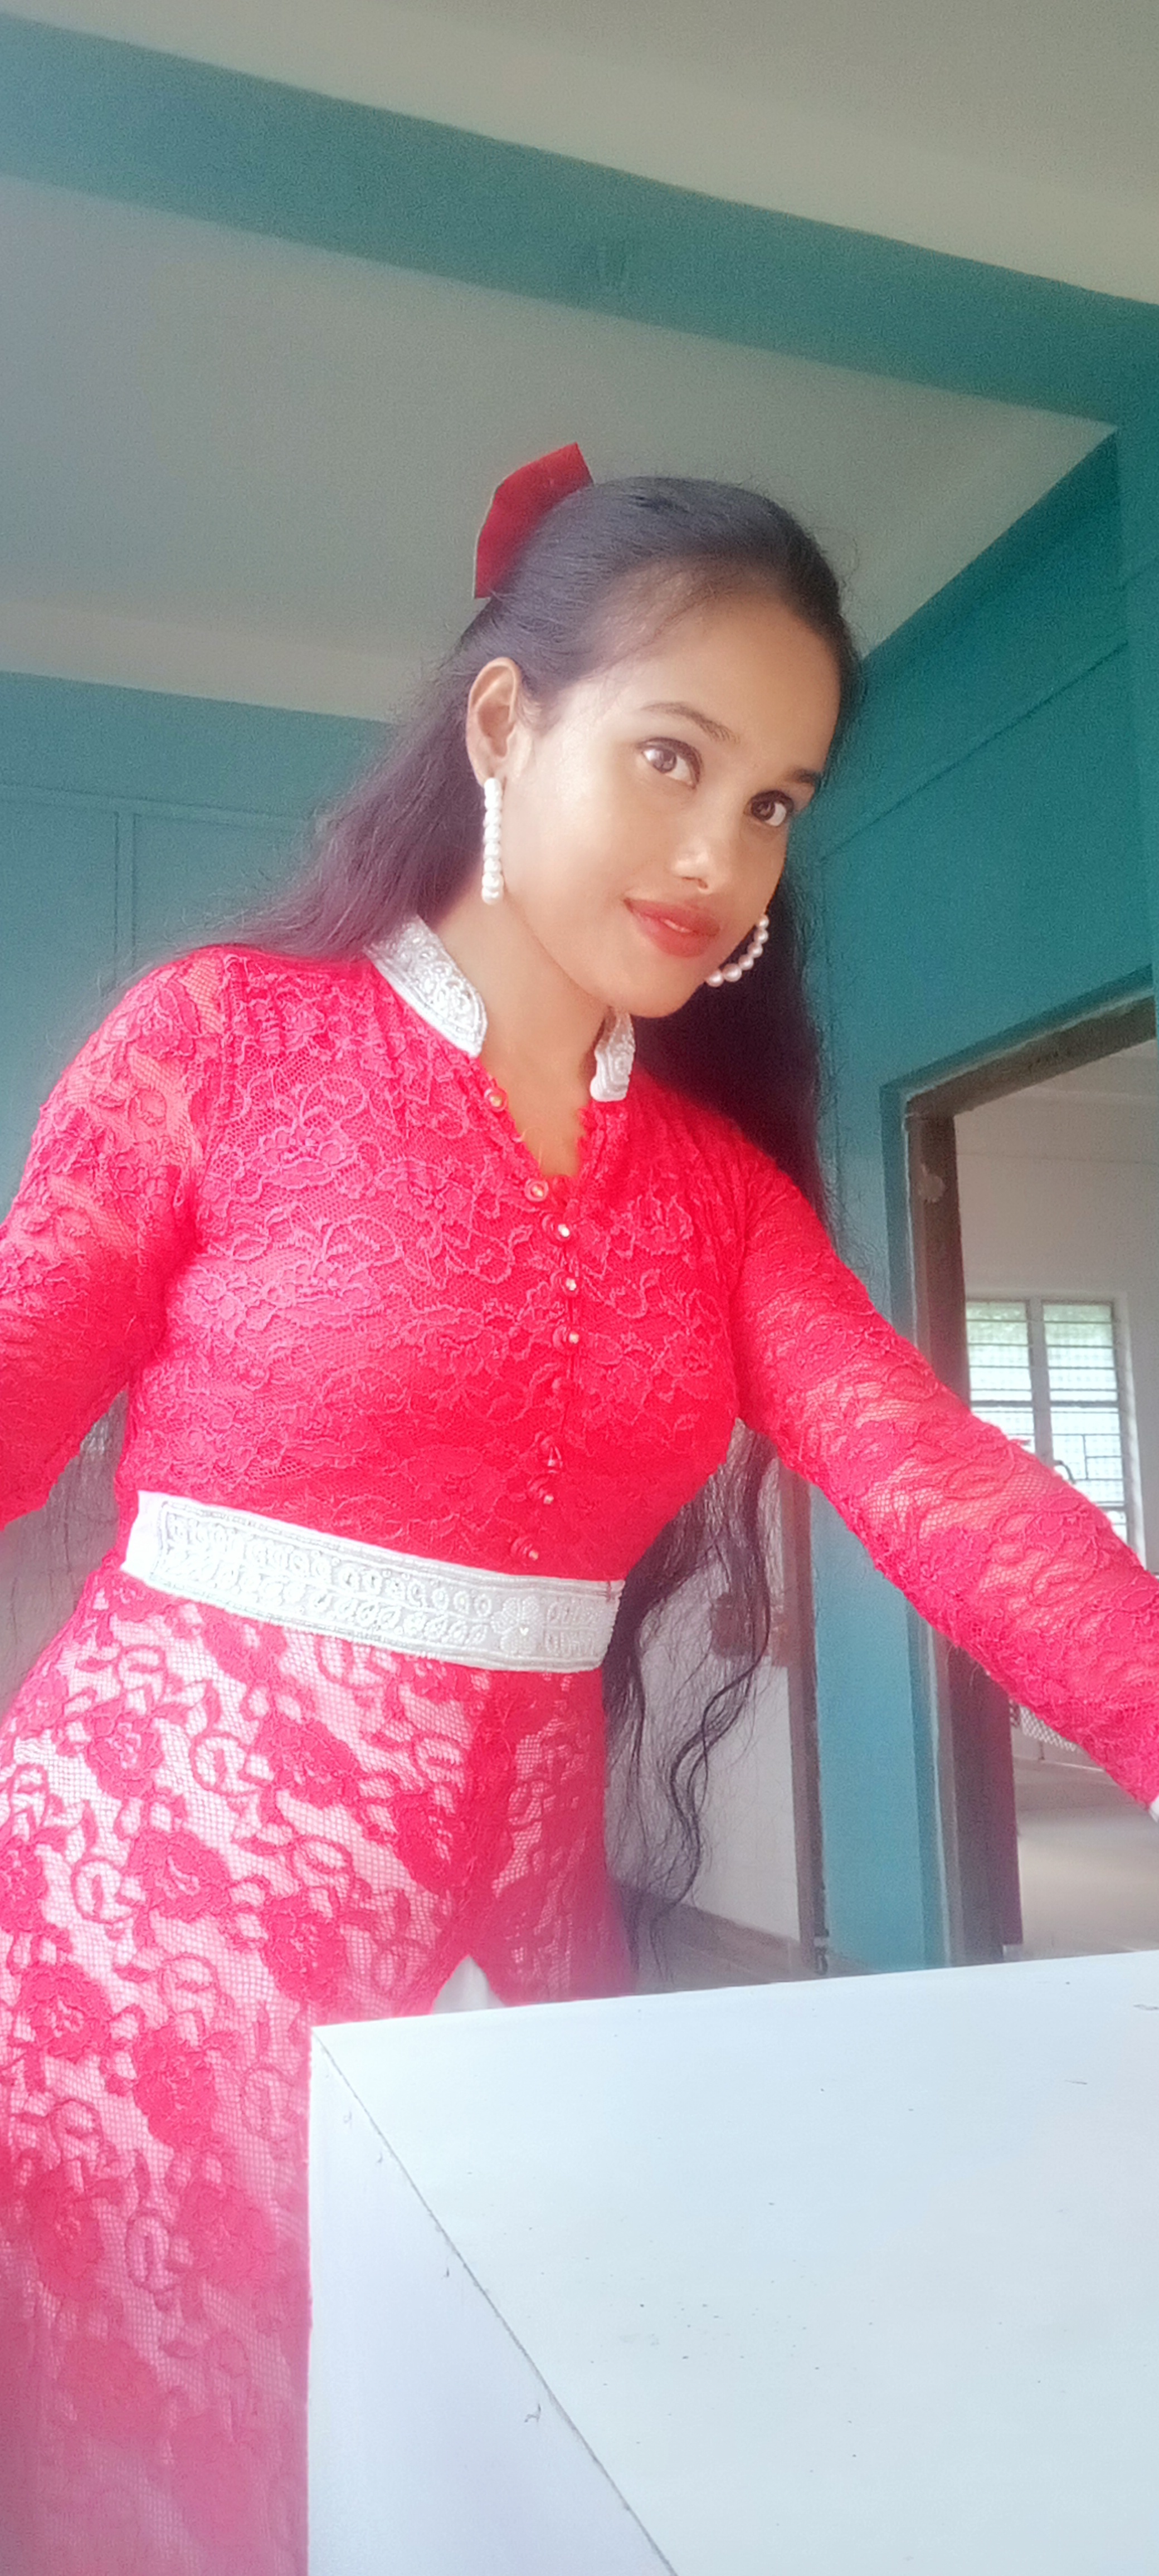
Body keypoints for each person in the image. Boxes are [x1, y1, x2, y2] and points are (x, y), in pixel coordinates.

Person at [2, 447, 1158, 2576]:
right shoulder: (222, 1046)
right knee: (203, 2489)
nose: (722, 855)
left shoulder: (720, 1203)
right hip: (153, 1927)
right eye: (673, 757)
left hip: (528, 1955)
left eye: (776, 801)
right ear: (504, 723)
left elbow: (940, 1481)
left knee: (491, 2479)